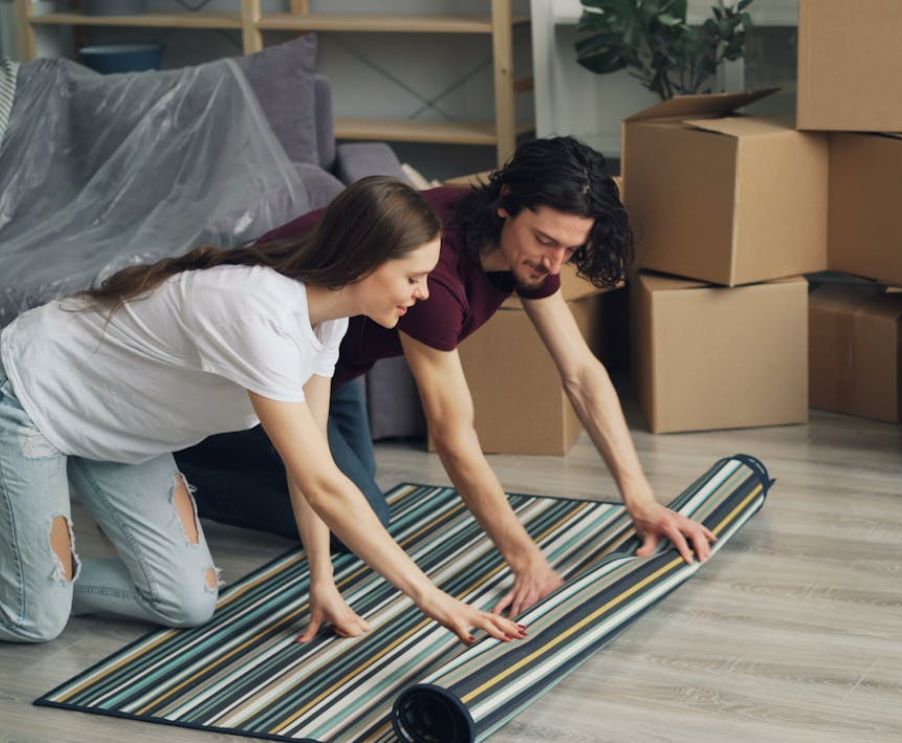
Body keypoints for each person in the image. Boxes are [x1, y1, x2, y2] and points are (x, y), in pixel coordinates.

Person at [176, 137, 716, 635]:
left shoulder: (524, 247)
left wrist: (641, 501)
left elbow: (581, 372)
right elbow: (454, 437)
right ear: (507, 203)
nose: (554, 263)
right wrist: (524, 558)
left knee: (346, 495)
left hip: (328, 360)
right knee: (351, 520)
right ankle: (173, 463)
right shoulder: (437, 276)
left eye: (570, 250)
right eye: (546, 241)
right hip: (249, 362)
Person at [0, 177, 524, 647]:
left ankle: (36, 579)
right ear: (365, 262)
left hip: (118, 431)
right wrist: (436, 600)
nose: (424, 292)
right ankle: (34, 591)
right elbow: (325, 486)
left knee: (187, 602)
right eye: (413, 277)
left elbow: (310, 464)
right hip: (33, 394)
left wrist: (323, 580)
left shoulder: (329, 321)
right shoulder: (259, 312)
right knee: (34, 621)